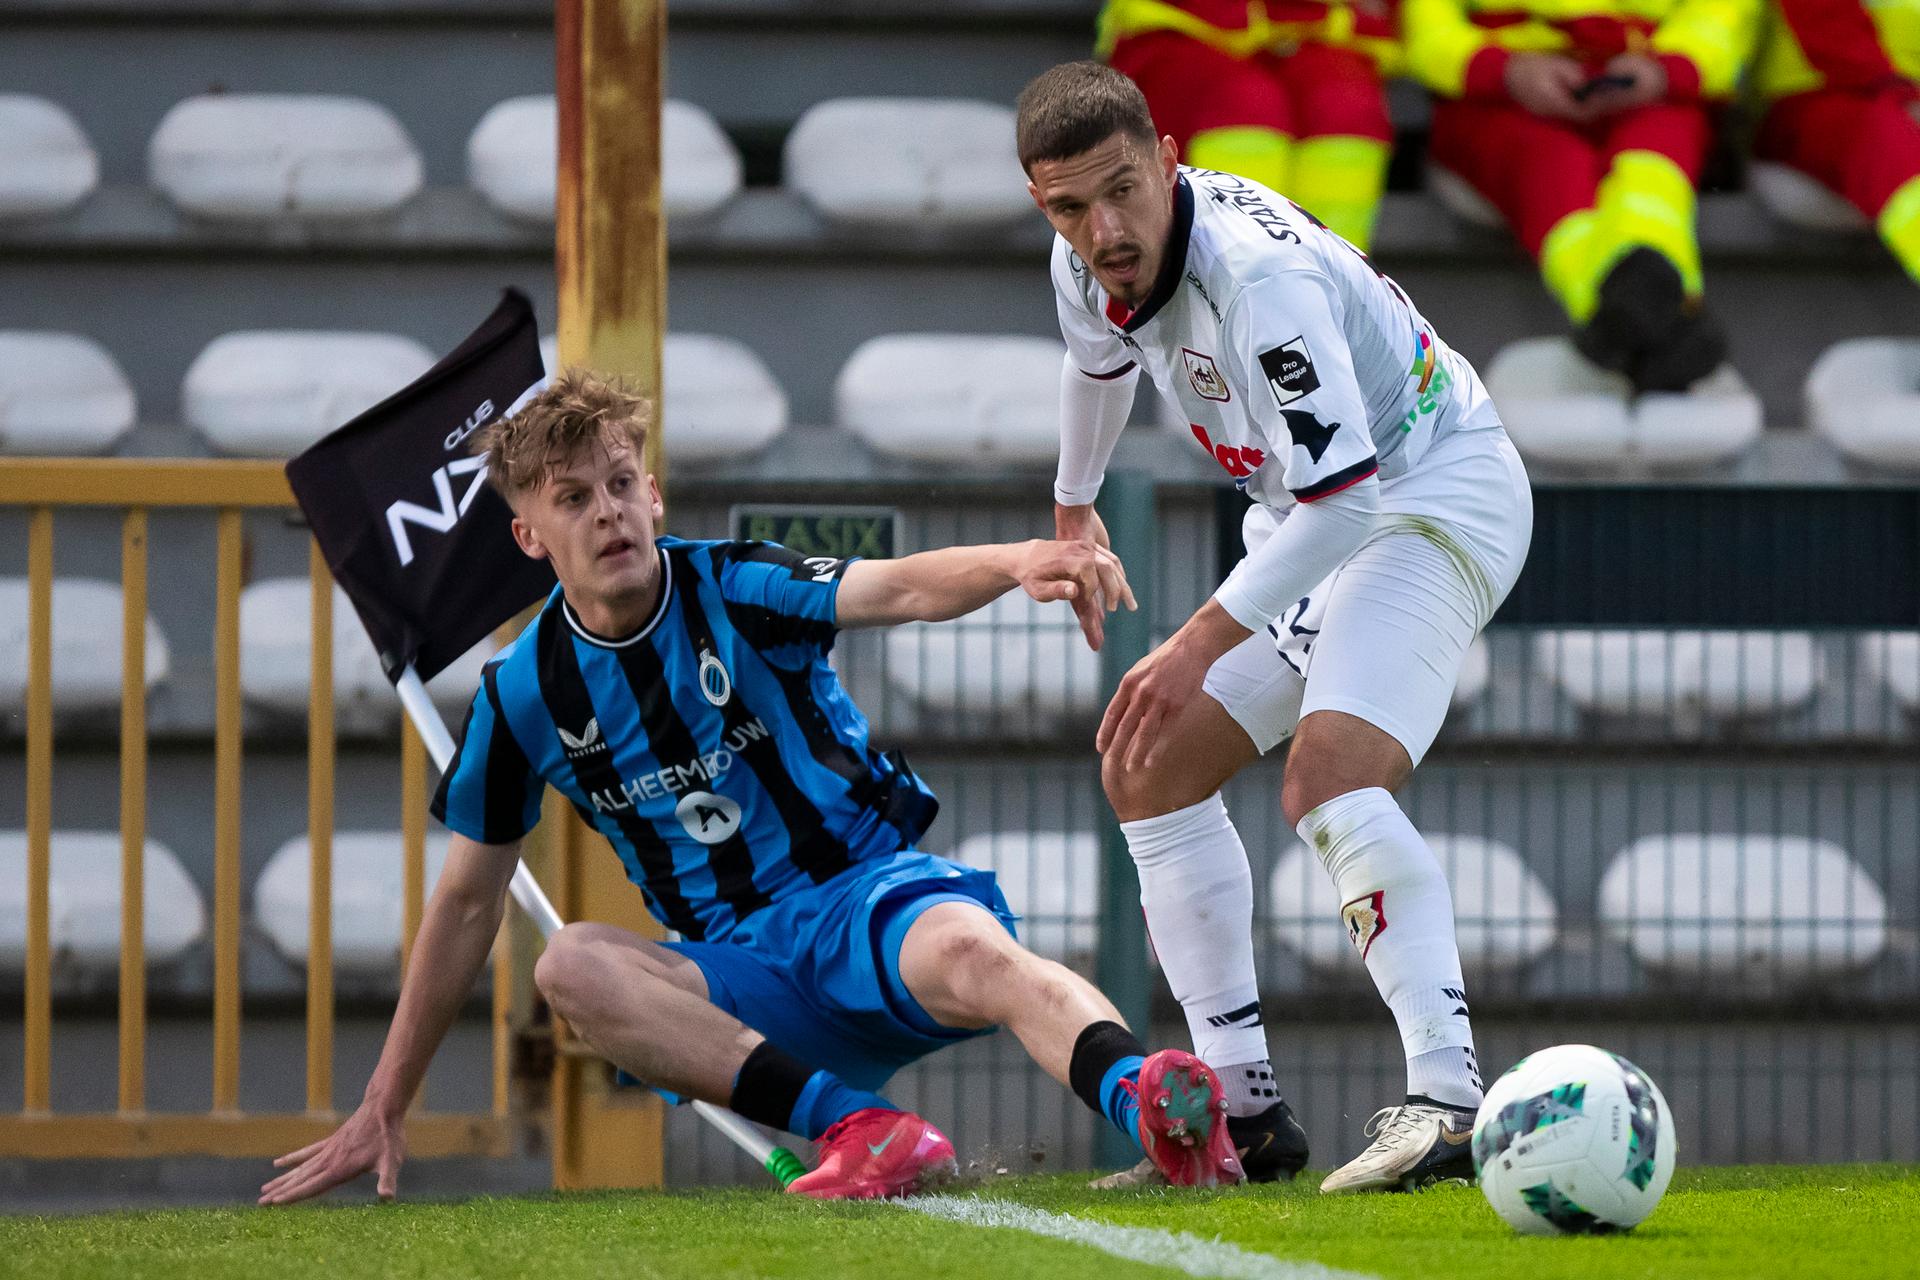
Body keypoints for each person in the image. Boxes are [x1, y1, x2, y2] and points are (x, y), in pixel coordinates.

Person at [258, 371, 1245, 1206]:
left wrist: (1020, 557)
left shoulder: (731, 584)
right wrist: (387, 1097)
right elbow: (470, 899)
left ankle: (1150, 1099)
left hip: (868, 903)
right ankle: (864, 1130)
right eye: (572, 498)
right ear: (530, 536)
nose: (605, 511)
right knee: (570, 966)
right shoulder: (521, 694)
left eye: (617, 484)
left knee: (978, 951)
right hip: (736, 975)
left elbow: (893, 586)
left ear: (652, 493)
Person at [1016, 61, 1533, 1193]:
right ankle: (1239, 1120)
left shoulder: (1259, 287)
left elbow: (1347, 499)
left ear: (1167, 154)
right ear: (1042, 202)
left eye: (1120, 192)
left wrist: (1196, 638)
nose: (1102, 231)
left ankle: (1449, 1102)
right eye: (1067, 207)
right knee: (1146, 762)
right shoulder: (1081, 257)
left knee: (1331, 778)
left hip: (1429, 487)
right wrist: (1072, 500)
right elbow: (1096, 361)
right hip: (1316, 512)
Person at [1404, 0, 1760, 392]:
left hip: (1652, 86)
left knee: (1650, 169)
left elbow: (1723, 16)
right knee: (1554, 168)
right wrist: (1506, 71)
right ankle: (1675, 332)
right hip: (1499, 98)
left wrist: (1664, 70)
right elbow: (1426, 27)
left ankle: (1619, 328)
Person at [1099, 0, 1401, 250]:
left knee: (1345, 111)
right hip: (1180, 25)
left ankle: (1336, 289)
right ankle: (1223, 287)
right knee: (1243, 106)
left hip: (1323, 31)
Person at [1753, 0, 1920, 285]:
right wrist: (1902, 96)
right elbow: (1827, 25)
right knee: (1885, 141)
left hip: (1896, 102)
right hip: (1815, 98)